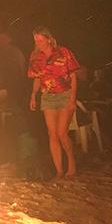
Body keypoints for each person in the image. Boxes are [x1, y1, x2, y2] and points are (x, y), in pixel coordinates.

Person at [28, 26, 80, 178]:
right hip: (47, 96)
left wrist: (72, 99)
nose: (38, 43)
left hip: (65, 94)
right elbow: (37, 78)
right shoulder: (35, 56)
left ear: (49, 39)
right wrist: (33, 95)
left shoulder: (63, 52)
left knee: (62, 132)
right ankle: (59, 170)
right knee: (52, 134)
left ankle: (71, 160)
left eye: (40, 40)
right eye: (35, 40)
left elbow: (73, 77)